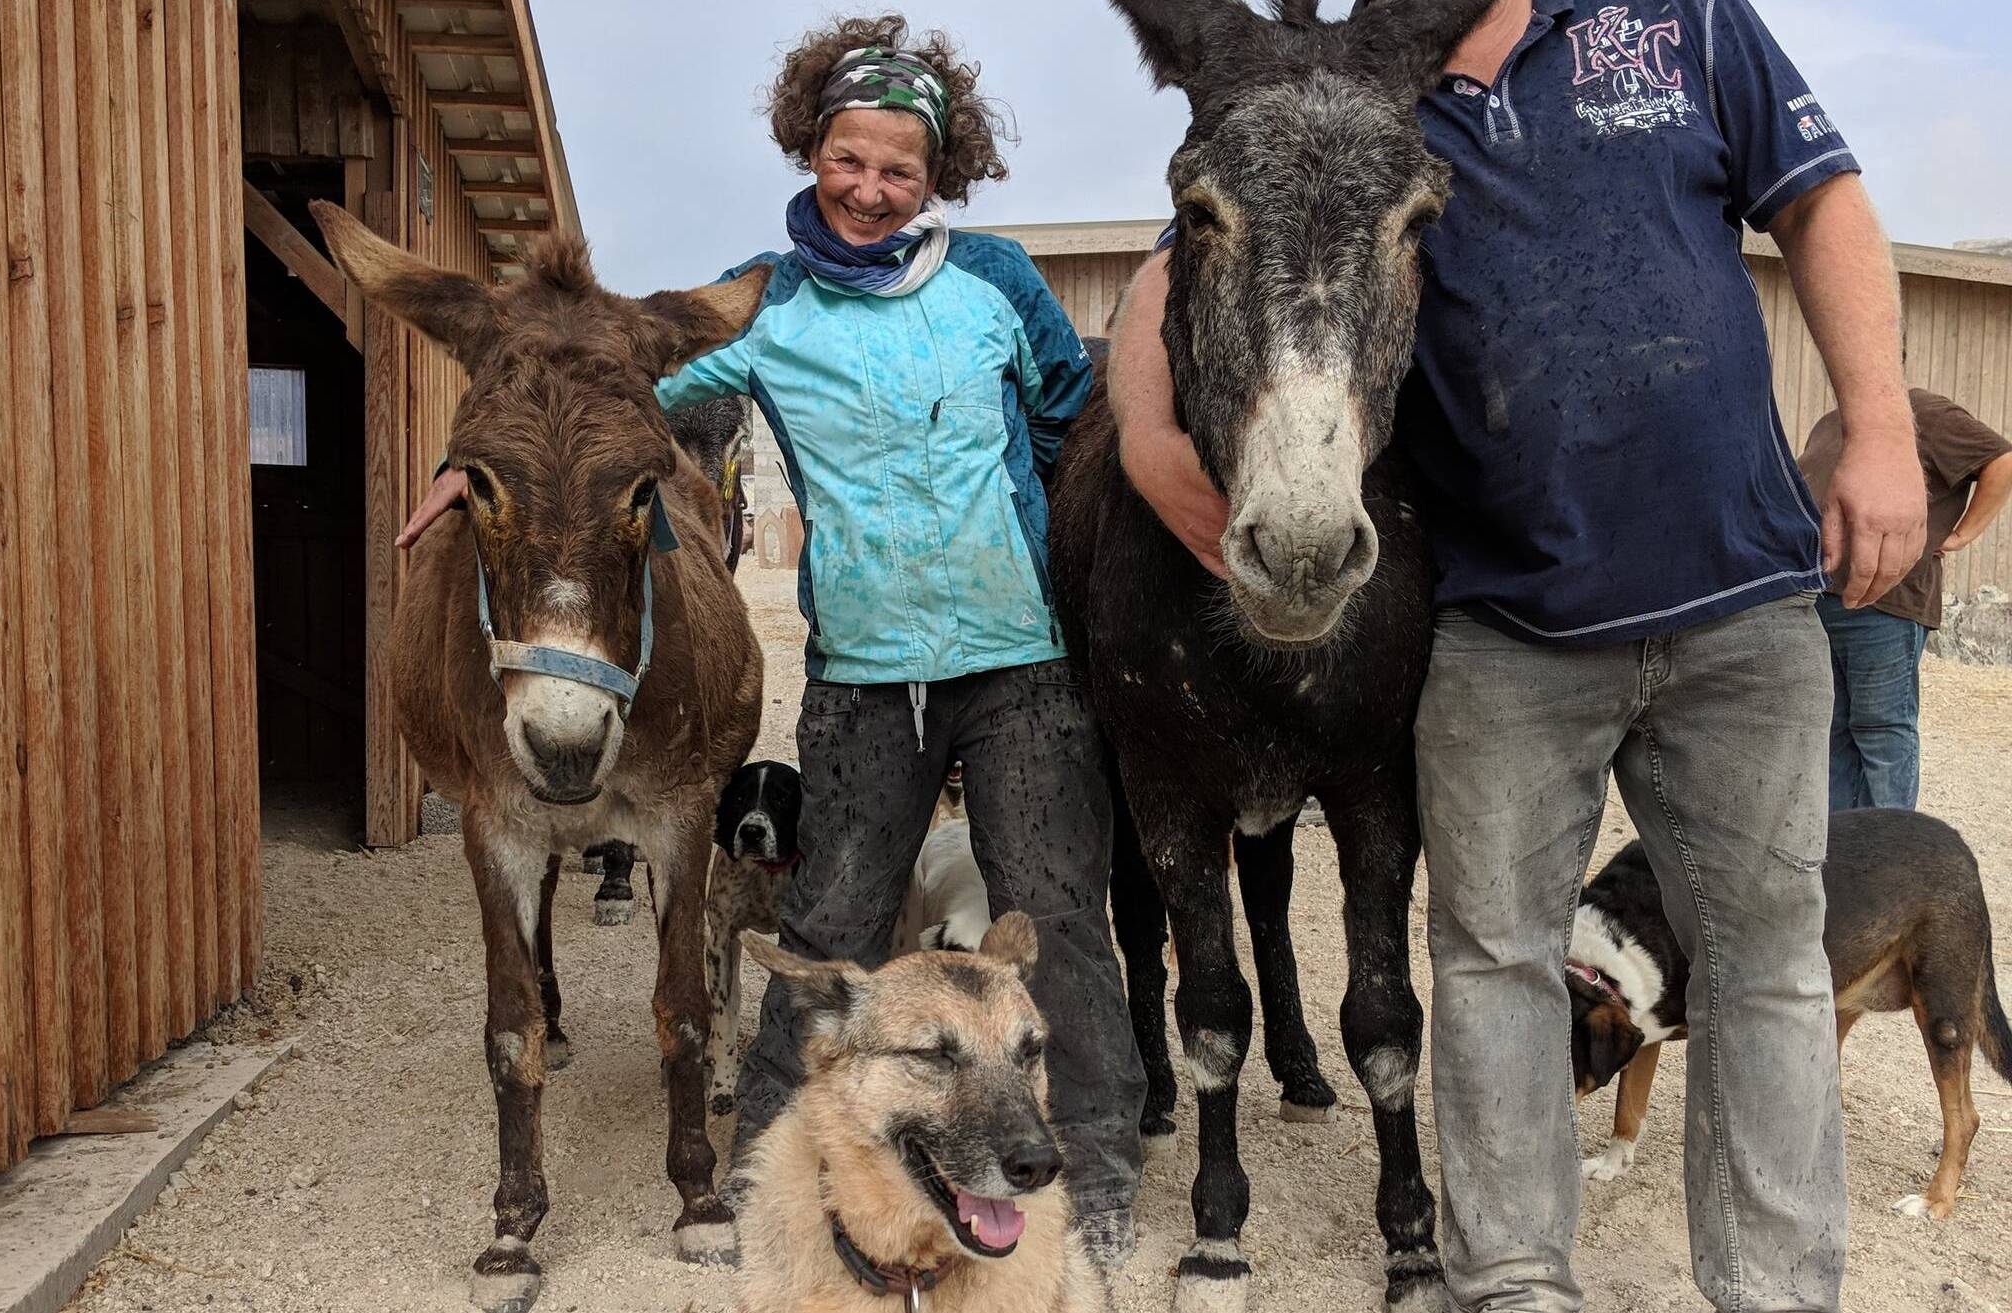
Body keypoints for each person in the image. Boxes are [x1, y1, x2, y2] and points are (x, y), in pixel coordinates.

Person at [1110, 0, 1925, 1309]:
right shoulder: (1353, 76)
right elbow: (1192, 243)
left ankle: (1776, 1289)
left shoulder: (1687, 21)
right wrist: (1152, 450)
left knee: (1766, 962)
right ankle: (1514, 1283)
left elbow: (1821, 199)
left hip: (1743, 600)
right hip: (1504, 625)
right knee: (1490, 963)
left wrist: (1881, 425)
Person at [401, 13, 1145, 1265]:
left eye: (899, 169)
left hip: (1020, 661)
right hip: (861, 669)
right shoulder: (760, 303)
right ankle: (770, 1155)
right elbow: (597, 409)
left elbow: (1078, 425)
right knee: (827, 911)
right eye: (847, 158)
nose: (869, 188)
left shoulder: (1001, 284)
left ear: (937, 174)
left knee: (1056, 912)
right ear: (811, 147)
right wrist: (468, 469)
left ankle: (1100, 1162)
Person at [1800, 388, 2012, 811]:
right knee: (1834, 730)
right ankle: (1843, 854)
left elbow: (2001, 460)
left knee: (1880, 731)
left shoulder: (1926, 413)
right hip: (1822, 603)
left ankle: (1887, 860)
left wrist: (1962, 534)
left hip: (1887, 605)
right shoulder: (1831, 421)